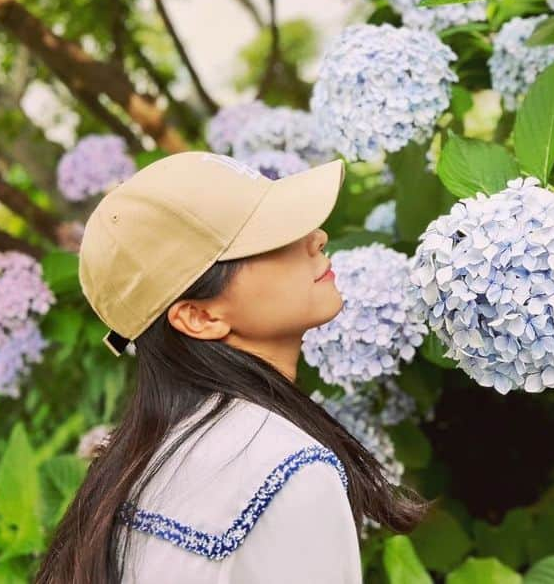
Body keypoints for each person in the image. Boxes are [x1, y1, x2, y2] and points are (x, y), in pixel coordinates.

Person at [34, 151, 432, 583]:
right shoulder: (290, 472)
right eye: (269, 238)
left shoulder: (129, 473)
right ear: (199, 317)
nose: (316, 237)